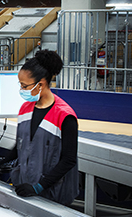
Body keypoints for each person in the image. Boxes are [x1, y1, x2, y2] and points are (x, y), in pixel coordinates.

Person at [6, 49, 79, 205]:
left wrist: (39, 187)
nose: (21, 90)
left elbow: (69, 160)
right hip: (26, 188)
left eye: (25, 86)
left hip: (53, 194)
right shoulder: (25, 109)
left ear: (40, 84)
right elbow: (22, 145)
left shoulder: (64, 116)